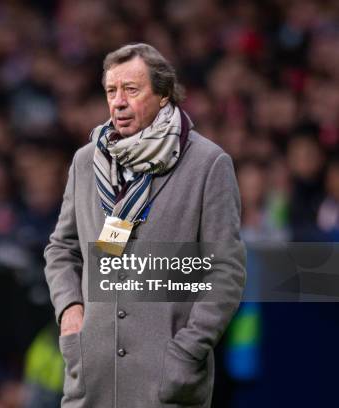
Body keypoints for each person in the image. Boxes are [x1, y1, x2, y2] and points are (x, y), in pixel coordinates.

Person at [44, 43, 246, 408]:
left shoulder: (208, 164)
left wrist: (187, 349)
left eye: (131, 90)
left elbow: (226, 270)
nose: (118, 101)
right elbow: (61, 248)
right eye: (111, 91)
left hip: (166, 381)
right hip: (93, 379)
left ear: (164, 95)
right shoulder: (86, 162)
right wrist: (70, 310)